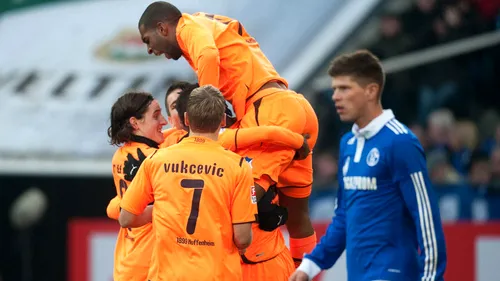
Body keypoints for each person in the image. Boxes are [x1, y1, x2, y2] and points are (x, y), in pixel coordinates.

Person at [138, 3, 319, 277]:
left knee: (250, 195)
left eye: (148, 40)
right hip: (291, 107)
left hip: (269, 109)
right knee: (297, 215)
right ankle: (301, 271)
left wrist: (206, 106)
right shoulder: (208, 23)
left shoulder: (188, 27)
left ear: (163, 28)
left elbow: (209, 55)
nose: (150, 49)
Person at [289, 50, 447, 281]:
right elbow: (344, 216)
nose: (336, 96)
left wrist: (431, 278)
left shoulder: (400, 142)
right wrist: (310, 265)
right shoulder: (349, 144)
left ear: (371, 91)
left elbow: (425, 216)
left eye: (345, 88)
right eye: (334, 89)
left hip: (394, 274)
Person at [119, 85, 258, 281]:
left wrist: (158, 211)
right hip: (217, 275)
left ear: (186, 119)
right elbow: (243, 238)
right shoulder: (239, 167)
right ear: (223, 120)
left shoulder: (156, 160)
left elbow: (126, 219)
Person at [107, 91, 168, 281]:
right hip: (149, 266)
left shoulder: (120, 155)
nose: (164, 121)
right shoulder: (155, 160)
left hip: (128, 261)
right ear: (135, 123)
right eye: (156, 115)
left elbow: (115, 207)